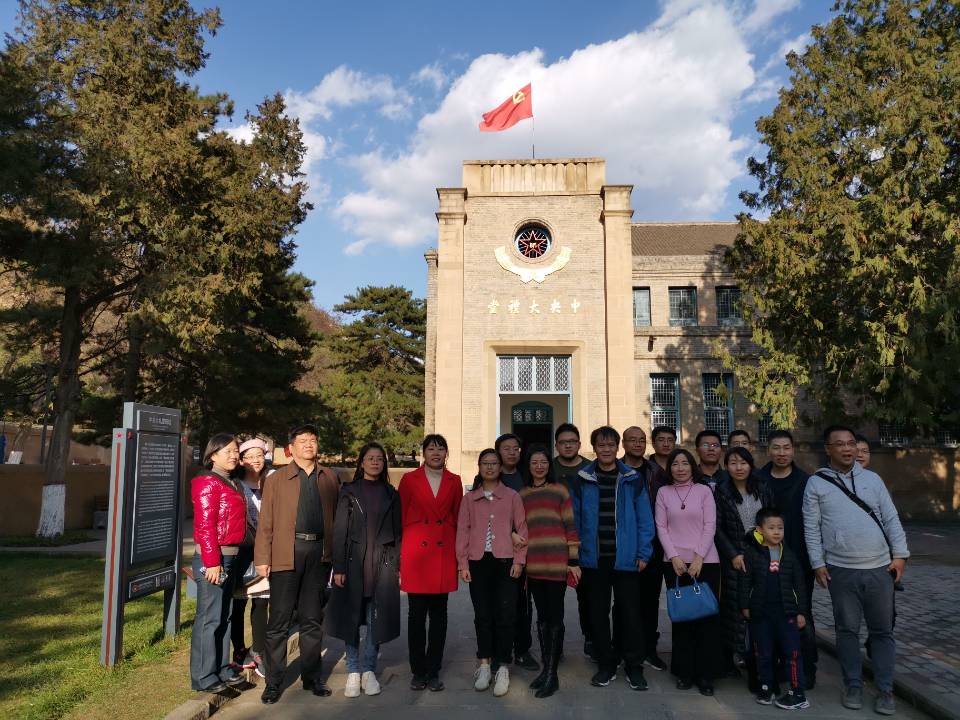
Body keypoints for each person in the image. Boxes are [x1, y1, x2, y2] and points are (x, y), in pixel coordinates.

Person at [803, 425, 910, 716]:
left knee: (882, 631)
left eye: (851, 443)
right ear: (828, 449)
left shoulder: (873, 480)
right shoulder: (817, 483)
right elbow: (811, 527)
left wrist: (900, 555)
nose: (847, 448)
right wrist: (817, 563)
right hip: (841, 571)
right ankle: (853, 685)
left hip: (880, 569)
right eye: (839, 444)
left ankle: (885, 690)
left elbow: (891, 518)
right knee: (847, 630)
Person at [254, 424, 340, 705]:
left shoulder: (329, 477)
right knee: (278, 621)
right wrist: (262, 558)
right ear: (291, 447)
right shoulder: (277, 479)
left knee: (312, 619)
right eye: (303, 440)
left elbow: (337, 519)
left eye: (313, 440)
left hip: (319, 554)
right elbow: (265, 522)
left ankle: (312, 677)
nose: (309, 444)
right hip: (285, 554)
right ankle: (274, 681)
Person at [573, 426, 655, 691]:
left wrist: (644, 553)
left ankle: (634, 666)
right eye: (601, 445)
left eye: (611, 445)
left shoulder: (632, 478)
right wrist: (576, 556)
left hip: (626, 559)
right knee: (598, 614)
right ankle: (606, 664)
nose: (606, 450)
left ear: (618, 447)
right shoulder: (583, 478)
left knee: (630, 614)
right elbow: (575, 520)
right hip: (594, 560)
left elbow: (645, 519)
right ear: (594, 448)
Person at [326, 442, 402, 698]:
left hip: (382, 564)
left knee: (375, 619)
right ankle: (353, 670)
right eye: (370, 458)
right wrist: (338, 567)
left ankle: (369, 669)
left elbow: (398, 533)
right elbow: (339, 531)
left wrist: (397, 565)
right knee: (350, 618)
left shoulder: (391, 494)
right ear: (361, 462)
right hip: (353, 564)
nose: (375, 462)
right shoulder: (349, 492)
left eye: (380, 458)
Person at [456, 448, 528, 697]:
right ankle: (484, 664)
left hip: (505, 561)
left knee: (506, 614)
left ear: (500, 467)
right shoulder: (470, 499)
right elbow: (462, 531)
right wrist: (463, 564)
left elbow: (522, 529)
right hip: (478, 562)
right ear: (479, 467)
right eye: (485, 463)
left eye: (494, 463)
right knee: (483, 615)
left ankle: (503, 666)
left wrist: (519, 561)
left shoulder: (512, 496)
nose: (489, 467)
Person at [398, 434, 463, 692]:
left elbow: (458, 517)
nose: (436, 453)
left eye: (440, 448)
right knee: (416, 616)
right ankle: (418, 671)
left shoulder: (455, 481)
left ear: (446, 453)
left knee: (439, 616)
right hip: (417, 553)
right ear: (423, 453)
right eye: (431, 448)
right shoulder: (409, 479)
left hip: (443, 552)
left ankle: (434, 669)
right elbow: (400, 516)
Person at [655, 448, 722, 695]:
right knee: (682, 619)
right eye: (675, 464)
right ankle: (684, 672)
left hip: (706, 562)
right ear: (669, 468)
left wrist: (699, 557)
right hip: (675, 563)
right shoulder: (663, 492)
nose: (680, 468)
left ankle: (706, 675)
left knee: (706, 620)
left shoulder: (704, 491)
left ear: (692, 466)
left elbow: (710, 525)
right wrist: (673, 556)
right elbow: (661, 527)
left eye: (685, 463)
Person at [757, 429, 817, 687]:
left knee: (802, 613)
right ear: (768, 450)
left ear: (793, 450)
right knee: (770, 614)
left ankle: (807, 668)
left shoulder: (806, 482)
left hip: (798, 559)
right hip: (765, 559)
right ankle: (777, 667)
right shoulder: (758, 479)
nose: (781, 453)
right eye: (776, 447)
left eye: (786, 448)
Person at [519, 444, 580, 698]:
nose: (539, 466)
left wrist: (573, 560)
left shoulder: (559, 491)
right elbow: (517, 527)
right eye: (534, 462)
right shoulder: (522, 494)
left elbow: (570, 526)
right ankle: (545, 669)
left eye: (543, 462)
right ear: (528, 465)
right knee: (541, 618)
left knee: (555, 617)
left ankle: (552, 674)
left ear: (549, 465)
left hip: (557, 563)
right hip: (533, 564)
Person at [189, 433, 248, 693]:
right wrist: (213, 562)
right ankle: (204, 677)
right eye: (228, 451)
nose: (234, 455)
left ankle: (222, 669)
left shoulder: (231, 482)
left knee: (225, 615)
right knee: (209, 618)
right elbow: (205, 526)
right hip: (214, 559)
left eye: (236, 451)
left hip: (231, 556)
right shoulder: (207, 482)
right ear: (213, 455)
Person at [740, 507, 811, 710]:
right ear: (760, 530)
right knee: (763, 653)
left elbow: (800, 586)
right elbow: (745, 582)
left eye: (780, 528)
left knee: (792, 653)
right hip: (761, 614)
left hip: (786, 614)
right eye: (771, 528)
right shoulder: (752, 555)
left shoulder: (789, 556)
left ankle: (797, 693)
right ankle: (766, 688)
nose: (777, 532)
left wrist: (801, 612)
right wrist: (744, 605)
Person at [714, 446, 773, 676]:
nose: (739, 468)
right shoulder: (721, 492)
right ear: (726, 467)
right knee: (735, 610)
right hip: (735, 558)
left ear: (751, 465)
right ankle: (733, 658)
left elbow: (773, 520)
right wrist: (733, 554)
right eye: (733, 463)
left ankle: (760, 659)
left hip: (763, 554)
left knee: (761, 606)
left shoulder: (763, 488)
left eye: (743, 462)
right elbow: (717, 528)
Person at [621, 425, 667, 671]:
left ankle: (649, 648)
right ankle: (623, 648)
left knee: (650, 600)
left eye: (641, 440)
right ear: (624, 443)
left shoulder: (656, 472)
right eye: (632, 440)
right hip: (623, 546)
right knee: (624, 602)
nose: (637, 444)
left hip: (653, 545)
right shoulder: (616, 469)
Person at [495, 432, 538, 671]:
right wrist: (508, 531)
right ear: (498, 451)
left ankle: (522, 650)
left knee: (522, 603)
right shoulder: (489, 475)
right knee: (499, 603)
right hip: (497, 551)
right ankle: (498, 651)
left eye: (516, 448)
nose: (512, 452)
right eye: (506, 448)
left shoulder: (526, 476)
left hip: (524, 548)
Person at [552, 423, 592, 658]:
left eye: (572, 442)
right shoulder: (549, 468)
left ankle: (591, 638)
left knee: (587, 596)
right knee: (554, 599)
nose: (568, 445)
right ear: (556, 445)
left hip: (585, 542)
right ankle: (555, 646)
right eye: (563, 442)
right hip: (554, 541)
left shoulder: (591, 468)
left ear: (579, 444)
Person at [230, 438, 270, 678]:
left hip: (266, 549)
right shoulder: (235, 484)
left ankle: (259, 651)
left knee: (262, 601)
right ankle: (238, 650)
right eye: (250, 456)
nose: (256, 460)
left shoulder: (272, 480)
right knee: (238, 602)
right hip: (242, 550)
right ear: (242, 460)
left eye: (259, 455)